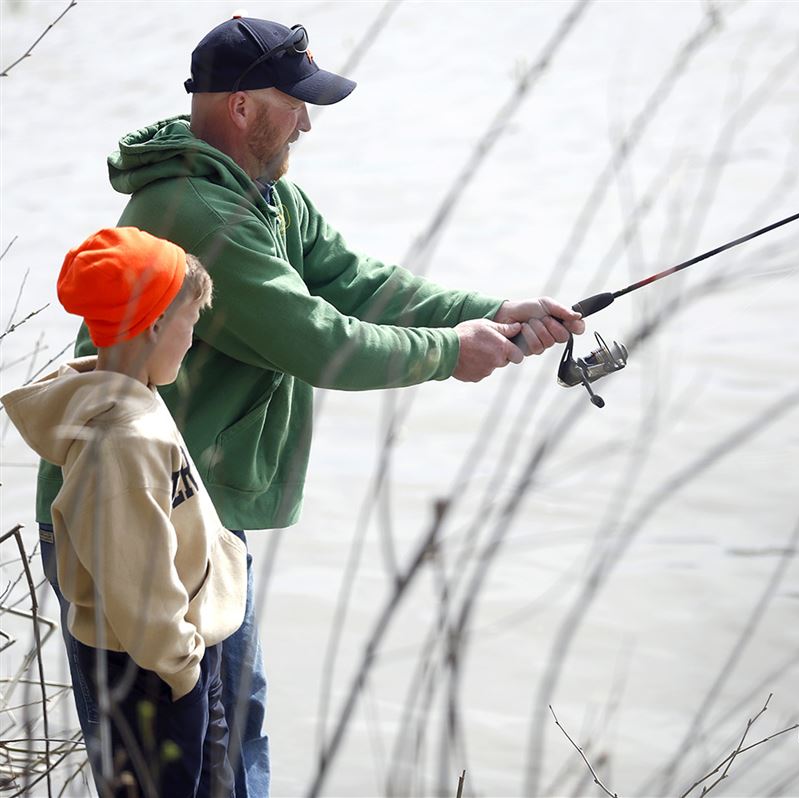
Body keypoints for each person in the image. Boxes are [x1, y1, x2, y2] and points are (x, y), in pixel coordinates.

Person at [34, 15, 586, 798]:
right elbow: (315, 339)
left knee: (238, 725)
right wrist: (449, 354)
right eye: (295, 103)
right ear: (241, 108)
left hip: (203, 515)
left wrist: (493, 310)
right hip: (134, 520)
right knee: (162, 763)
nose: (308, 122)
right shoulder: (199, 213)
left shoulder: (267, 198)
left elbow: (358, 284)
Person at [4, 227, 246, 797]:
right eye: (190, 323)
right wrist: (184, 667)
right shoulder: (121, 439)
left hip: (171, 658)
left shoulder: (134, 397)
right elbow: (137, 583)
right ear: (157, 323)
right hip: (152, 671)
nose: (192, 340)